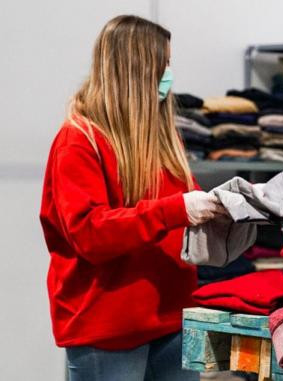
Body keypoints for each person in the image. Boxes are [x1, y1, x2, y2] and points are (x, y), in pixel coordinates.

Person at [39, 15, 224, 381]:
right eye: (164, 63)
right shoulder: (79, 141)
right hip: (106, 329)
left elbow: (181, 203)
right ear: (138, 68)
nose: (169, 74)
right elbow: (91, 233)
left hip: (172, 317)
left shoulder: (162, 138)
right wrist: (176, 210)